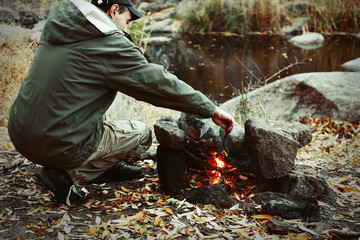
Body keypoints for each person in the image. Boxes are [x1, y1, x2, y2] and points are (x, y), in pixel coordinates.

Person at [7, 0, 234, 205]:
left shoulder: (61, 26)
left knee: (88, 98)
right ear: (113, 9)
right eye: (127, 20)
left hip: (19, 133)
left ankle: (89, 163)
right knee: (142, 134)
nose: (127, 27)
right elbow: (157, 83)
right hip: (56, 145)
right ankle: (77, 173)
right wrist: (210, 108)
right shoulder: (108, 42)